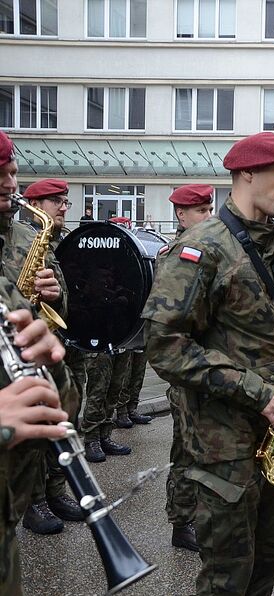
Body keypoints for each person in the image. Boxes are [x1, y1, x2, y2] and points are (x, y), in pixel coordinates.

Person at [142, 132, 274, 595]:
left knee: (269, 564)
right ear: (247, 174)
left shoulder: (273, 245)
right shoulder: (201, 248)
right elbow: (165, 345)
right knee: (226, 578)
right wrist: (258, 393)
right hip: (225, 443)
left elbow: (273, 319)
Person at [0, 129, 75, 592]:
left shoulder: (23, 237)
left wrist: (55, 368)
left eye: (10, 172)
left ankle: (44, 495)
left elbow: (60, 401)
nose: (10, 182)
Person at [21, 178, 86, 532]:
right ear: (33, 203)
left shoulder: (48, 242)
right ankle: (34, 503)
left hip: (51, 343)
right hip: (21, 350)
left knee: (62, 422)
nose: (63, 207)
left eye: (65, 201)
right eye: (56, 201)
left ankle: (55, 492)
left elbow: (61, 300)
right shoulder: (17, 238)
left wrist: (55, 294)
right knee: (34, 429)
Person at [159, 183, 215, 553]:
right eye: (201, 211)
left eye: (210, 210)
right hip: (185, 368)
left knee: (206, 447)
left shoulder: (211, 250)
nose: (208, 217)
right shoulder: (175, 256)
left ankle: (201, 514)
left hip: (207, 366)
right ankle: (182, 522)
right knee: (186, 449)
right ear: (182, 214)